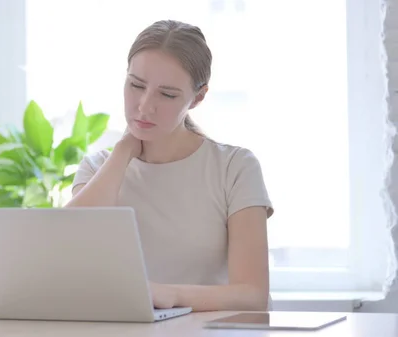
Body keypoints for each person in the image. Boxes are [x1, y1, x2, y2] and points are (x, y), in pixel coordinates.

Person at [66, 19, 274, 312]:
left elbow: (252, 294)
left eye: (167, 94)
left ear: (197, 97)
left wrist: (168, 295)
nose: (144, 106)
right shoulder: (97, 169)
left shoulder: (234, 168)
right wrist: (124, 151)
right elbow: (68, 247)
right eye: (136, 85)